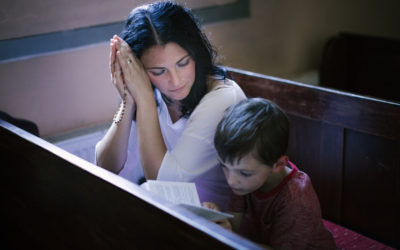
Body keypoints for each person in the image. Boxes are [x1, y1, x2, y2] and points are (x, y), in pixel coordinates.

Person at [95, 1, 246, 209]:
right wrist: (128, 99)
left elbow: (165, 185)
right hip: (177, 212)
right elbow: (106, 165)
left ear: (195, 53)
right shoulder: (149, 90)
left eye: (183, 63)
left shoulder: (222, 97)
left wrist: (146, 99)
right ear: (138, 69)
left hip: (220, 223)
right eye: (158, 71)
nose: (175, 81)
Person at [205, 98, 336, 249]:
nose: (231, 181)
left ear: (278, 165)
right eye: (224, 166)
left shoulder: (295, 199)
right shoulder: (243, 178)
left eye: (244, 173)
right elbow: (234, 225)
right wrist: (219, 220)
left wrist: (230, 235)